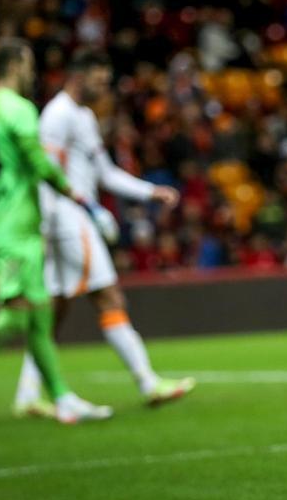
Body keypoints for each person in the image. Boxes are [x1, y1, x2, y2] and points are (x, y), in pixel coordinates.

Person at [0, 39, 113, 433]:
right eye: (28, 64)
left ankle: (62, 398)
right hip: (18, 225)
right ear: (13, 65)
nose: (31, 72)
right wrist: (76, 195)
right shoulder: (19, 109)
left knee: (41, 315)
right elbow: (38, 160)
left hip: (1, 221)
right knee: (15, 317)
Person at [11, 51, 195, 418]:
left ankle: (27, 393)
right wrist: (60, 219)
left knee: (55, 312)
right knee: (108, 296)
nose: (103, 86)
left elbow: (105, 173)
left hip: (76, 215)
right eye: (98, 79)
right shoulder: (58, 115)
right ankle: (147, 382)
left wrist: (149, 191)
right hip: (68, 218)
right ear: (77, 76)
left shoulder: (84, 116)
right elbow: (46, 172)